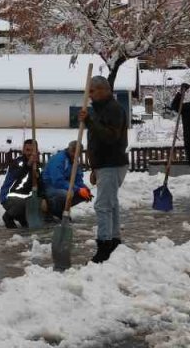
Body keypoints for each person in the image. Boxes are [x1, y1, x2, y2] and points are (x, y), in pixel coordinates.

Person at [79, 75, 129, 264]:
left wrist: (90, 122)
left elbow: (110, 137)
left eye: (92, 91)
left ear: (104, 90)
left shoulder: (113, 109)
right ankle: (114, 240)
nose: (89, 96)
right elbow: (97, 140)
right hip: (105, 165)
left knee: (102, 205)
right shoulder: (100, 110)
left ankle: (104, 246)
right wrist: (95, 168)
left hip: (112, 163)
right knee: (111, 203)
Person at [40, 140, 91, 220]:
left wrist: (83, 188)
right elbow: (57, 181)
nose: (74, 154)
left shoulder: (74, 161)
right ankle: (52, 210)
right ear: (69, 149)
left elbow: (78, 179)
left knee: (84, 194)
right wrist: (77, 189)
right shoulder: (59, 159)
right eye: (72, 152)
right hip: (49, 186)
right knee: (67, 194)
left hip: (64, 186)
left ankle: (60, 209)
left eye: (77, 153)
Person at [0, 139, 40, 228]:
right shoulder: (18, 162)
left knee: (27, 223)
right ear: (23, 150)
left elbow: (40, 183)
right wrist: (28, 165)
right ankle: (8, 216)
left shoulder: (38, 165)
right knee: (24, 204)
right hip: (9, 196)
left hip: (24, 197)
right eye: (27, 150)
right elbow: (17, 174)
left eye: (32, 150)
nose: (30, 153)